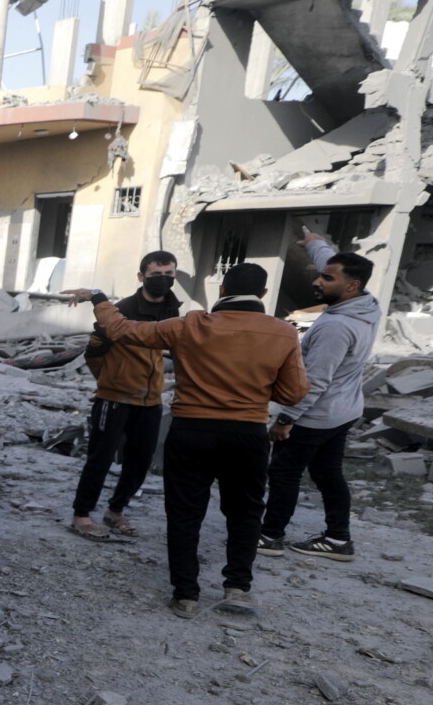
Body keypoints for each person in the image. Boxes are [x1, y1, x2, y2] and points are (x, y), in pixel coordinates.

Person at [68, 263, 307, 618]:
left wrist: (100, 299)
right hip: (247, 434)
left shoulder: (190, 324)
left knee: (184, 512)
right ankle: (238, 588)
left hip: (191, 430)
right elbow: (294, 392)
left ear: (222, 290)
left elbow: (120, 329)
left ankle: (185, 595)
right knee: (245, 512)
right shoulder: (283, 332)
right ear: (264, 295)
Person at [260, 233, 378, 561]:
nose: (318, 281)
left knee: (284, 473)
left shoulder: (337, 328)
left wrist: (285, 419)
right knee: (328, 474)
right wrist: (314, 242)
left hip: (315, 416)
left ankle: (270, 536)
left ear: (351, 285)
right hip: (344, 411)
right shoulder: (367, 303)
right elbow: (332, 259)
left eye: (327, 278)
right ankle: (338, 539)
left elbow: (314, 380)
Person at [69, 251, 182, 542]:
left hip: (151, 401)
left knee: (140, 460)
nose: (164, 280)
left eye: (169, 274)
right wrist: (110, 381)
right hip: (115, 399)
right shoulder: (122, 310)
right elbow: (94, 351)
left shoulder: (172, 309)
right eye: (157, 274)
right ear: (141, 276)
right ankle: (81, 515)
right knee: (100, 458)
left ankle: (115, 511)